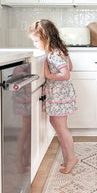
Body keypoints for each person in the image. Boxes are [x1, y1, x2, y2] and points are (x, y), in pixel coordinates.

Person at [29, 19, 78, 174]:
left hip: (59, 96)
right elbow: (70, 65)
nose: (35, 44)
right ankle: (67, 158)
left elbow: (66, 74)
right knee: (58, 126)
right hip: (60, 95)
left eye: (36, 41)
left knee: (62, 129)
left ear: (46, 38)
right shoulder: (59, 51)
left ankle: (71, 158)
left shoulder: (53, 54)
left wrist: (49, 74)